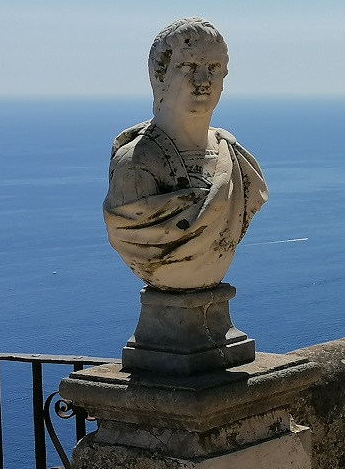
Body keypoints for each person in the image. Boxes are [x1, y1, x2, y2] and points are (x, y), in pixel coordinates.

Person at [103, 18, 268, 292]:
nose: (202, 81)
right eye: (188, 67)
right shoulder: (135, 165)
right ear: (160, 76)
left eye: (213, 68)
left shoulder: (236, 160)